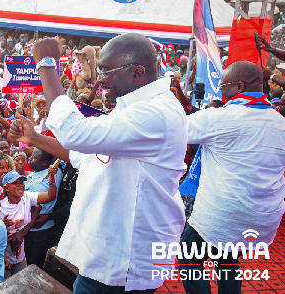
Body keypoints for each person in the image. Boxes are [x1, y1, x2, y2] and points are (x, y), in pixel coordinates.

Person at [21, 34, 187, 293]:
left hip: (125, 259)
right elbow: (83, 155)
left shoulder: (154, 113)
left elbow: (74, 132)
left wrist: (46, 63)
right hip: (111, 253)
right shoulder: (135, 107)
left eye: (106, 71)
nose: (99, 80)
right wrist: (35, 138)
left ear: (137, 72)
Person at [178, 61, 285, 294]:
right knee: (226, 260)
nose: (219, 90)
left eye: (222, 85)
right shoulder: (280, 122)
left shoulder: (220, 117)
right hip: (263, 216)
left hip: (223, 212)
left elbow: (172, 130)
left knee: (189, 257)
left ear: (238, 86)